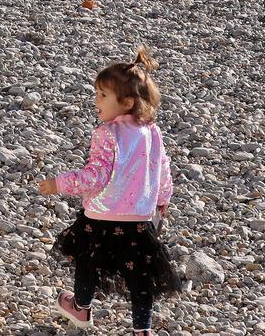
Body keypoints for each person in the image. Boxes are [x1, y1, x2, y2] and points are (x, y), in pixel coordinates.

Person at [37, 48, 181, 334]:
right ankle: (143, 330)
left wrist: (59, 183)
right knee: (139, 277)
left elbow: (96, 176)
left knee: (88, 264)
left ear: (126, 102)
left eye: (102, 95)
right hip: (139, 219)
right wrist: (162, 199)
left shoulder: (107, 133)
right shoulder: (151, 131)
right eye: (96, 93)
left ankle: (81, 307)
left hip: (100, 218)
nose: (95, 101)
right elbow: (161, 168)